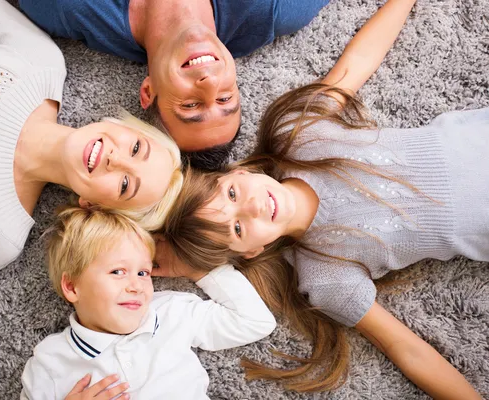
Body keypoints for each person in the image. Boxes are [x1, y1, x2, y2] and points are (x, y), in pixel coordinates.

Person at [153, 0, 486, 398]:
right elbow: (406, 348)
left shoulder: (300, 136)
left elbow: (358, 61)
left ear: (239, 173)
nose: (255, 206)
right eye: (239, 227)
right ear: (253, 249)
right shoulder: (326, 279)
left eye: (233, 193)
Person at [0, 0, 183, 299]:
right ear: (126, 127)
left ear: (93, 207)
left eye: (124, 184)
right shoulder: (38, 60)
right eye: (135, 147)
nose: (115, 159)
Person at [18, 0, 330, 170]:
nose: (207, 84)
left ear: (148, 92)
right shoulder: (275, 8)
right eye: (224, 98)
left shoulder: (67, 7)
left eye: (191, 105)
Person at [20, 205, 277, 400]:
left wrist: (198, 268)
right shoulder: (50, 362)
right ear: (72, 286)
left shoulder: (170, 313)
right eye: (117, 272)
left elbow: (255, 321)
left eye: (143, 272)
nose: (136, 286)